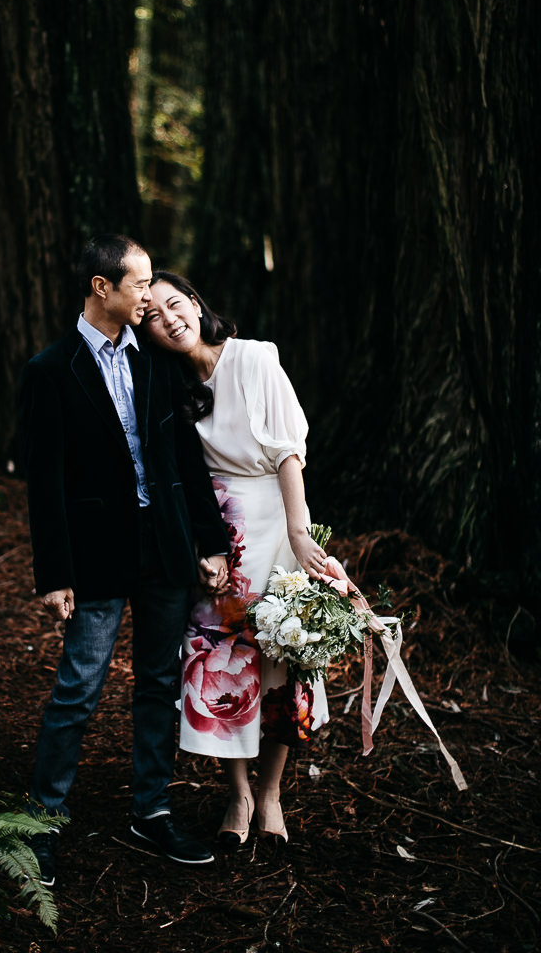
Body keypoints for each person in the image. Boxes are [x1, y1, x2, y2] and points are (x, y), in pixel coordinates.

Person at [20, 236, 230, 887]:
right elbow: (44, 481)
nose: (149, 295)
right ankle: (41, 823)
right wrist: (54, 575)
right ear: (100, 287)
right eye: (139, 284)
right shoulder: (50, 371)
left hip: (165, 549)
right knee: (79, 688)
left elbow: (184, 460)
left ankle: (152, 809)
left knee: (159, 686)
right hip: (94, 558)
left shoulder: (157, 364)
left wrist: (211, 539)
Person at [142, 270, 330, 849]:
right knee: (223, 661)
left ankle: (271, 792)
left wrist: (299, 532)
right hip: (216, 536)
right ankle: (238, 791)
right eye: (151, 315)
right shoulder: (167, 385)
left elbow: (287, 450)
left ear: (196, 303)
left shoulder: (253, 359)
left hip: (273, 524)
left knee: (281, 655)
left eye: (175, 304)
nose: (169, 318)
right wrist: (204, 544)